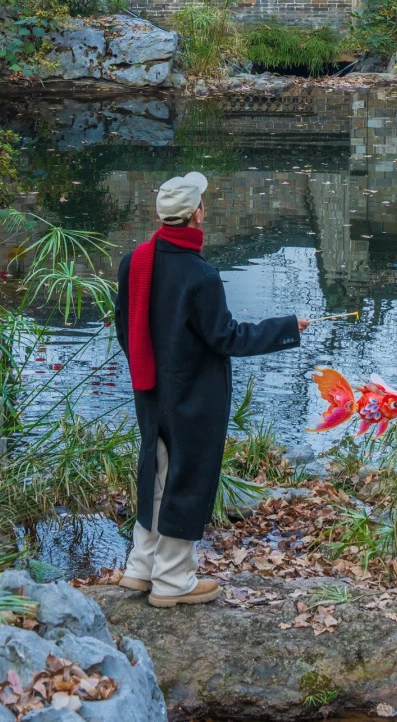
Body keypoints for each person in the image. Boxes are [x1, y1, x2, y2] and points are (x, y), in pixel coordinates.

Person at [113, 171, 309, 606]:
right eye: (203, 202)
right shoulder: (200, 275)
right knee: (188, 477)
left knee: (157, 473)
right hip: (193, 397)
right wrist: (285, 327)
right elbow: (227, 338)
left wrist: (149, 374)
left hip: (149, 389)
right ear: (196, 214)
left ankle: (140, 567)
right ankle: (172, 581)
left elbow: (124, 329)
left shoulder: (135, 262)